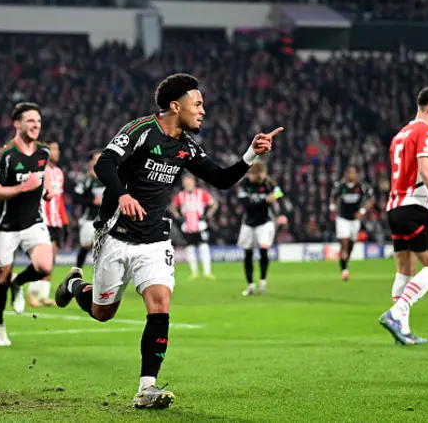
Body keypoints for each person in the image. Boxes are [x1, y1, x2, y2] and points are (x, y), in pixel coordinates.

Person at [54, 73, 281, 408]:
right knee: (103, 313)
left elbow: (220, 178)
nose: (203, 111)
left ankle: (147, 388)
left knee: (160, 304)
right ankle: (76, 285)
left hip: (155, 238)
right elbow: (105, 163)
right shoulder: (141, 130)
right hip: (115, 233)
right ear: (176, 106)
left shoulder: (187, 147)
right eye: (198, 103)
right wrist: (121, 197)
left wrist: (250, 154)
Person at [379, 87, 428, 346]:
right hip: (413, 207)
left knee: (405, 270)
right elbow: (424, 168)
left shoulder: (400, 135)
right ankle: (396, 314)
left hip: (394, 206)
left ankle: (404, 331)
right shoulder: (426, 131)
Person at [0, 102, 54, 346]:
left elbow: (42, 181)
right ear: (17, 124)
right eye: (30, 121)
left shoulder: (43, 152)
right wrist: (22, 188)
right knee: (0, 279)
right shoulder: (5, 155)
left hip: (33, 221)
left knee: (45, 266)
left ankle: (19, 282)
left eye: (38, 121)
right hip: (6, 225)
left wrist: (46, 192)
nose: (36, 125)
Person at [237, 161, 288, 296]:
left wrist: (282, 213)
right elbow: (247, 205)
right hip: (248, 223)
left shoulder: (268, 183)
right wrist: (265, 200)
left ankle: (263, 281)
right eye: (256, 176)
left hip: (265, 222)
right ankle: (250, 285)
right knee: (248, 254)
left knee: (264, 250)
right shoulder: (244, 185)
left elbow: (280, 195)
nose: (258, 179)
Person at [27, 142, 67, 307]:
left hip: (55, 221)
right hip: (41, 220)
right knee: (42, 259)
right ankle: (32, 293)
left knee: (51, 259)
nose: (56, 152)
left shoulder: (59, 173)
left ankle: (43, 295)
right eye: (53, 149)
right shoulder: (39, 171)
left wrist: (64, 219)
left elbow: (59, 199)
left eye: (58, 149)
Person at [329, 165, 375, 281]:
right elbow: (333, 197)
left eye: (353, 173)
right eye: (349, 172)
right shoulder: (340, 186)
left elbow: (371, 199)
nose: (351, 175)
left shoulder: (362, 186)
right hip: (342, 219)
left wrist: (363, 211)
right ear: (345, 174)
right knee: (344, 244)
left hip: (355, 221)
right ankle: (344, 271)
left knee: (350, 246)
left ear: (357, 174)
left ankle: (345, 263)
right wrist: (333, 207)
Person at [170, 175, 217, 279]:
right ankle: (194, 272)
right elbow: (172, 207)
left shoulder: (201, 193)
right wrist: (179, 218)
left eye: (189, 183)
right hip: (187, 227)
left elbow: (214, 205)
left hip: (200, 226)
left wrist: (207, 215)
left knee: (204, 247)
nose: (187, 185)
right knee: (189, 249)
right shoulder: (181, 195)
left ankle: (207, 272)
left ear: (194, 183)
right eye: (186, 183)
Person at [74, 150, 104, 268]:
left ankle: (101, 276)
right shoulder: (87, 180)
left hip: (105, 219)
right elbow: (76, 198)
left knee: (103, 248)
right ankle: (77, 271)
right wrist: (91, 201)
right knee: (85, 245)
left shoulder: (110, 178)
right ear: (91, 162)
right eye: (96, 159)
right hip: (89, 219)